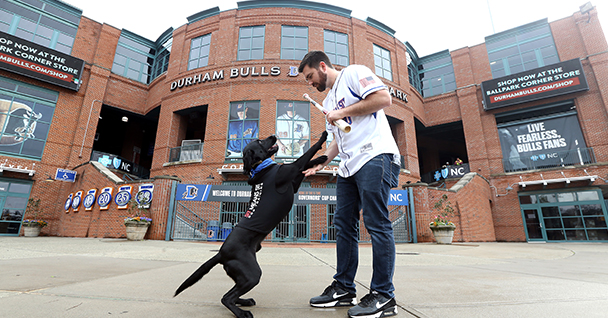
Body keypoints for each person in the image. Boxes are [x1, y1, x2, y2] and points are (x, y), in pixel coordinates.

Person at [299, 51, 400, 318]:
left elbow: (382, 99)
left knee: (377, 223)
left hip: (375, 155)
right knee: (344, 225)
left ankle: (384, 295)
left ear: (323, 66)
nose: (310, 82)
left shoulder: (354, 73)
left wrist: (340, 112)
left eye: (310, 76)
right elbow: (336, 140)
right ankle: (344, 288)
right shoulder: (328, 100)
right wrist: (322, 163)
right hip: (347, 166)